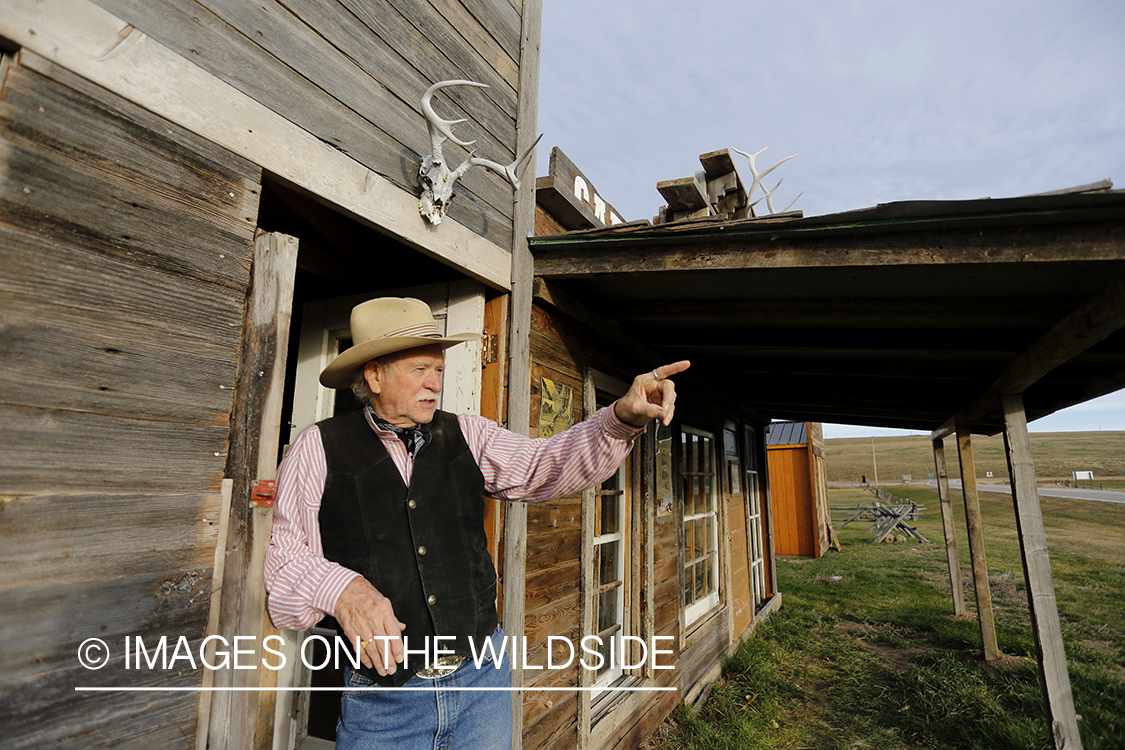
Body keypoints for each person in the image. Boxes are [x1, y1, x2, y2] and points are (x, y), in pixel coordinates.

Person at [264, 296, 689, 749]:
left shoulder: (466, 433)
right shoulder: (317, 448)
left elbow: (544, 464)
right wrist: (343, 589)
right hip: (385, 705)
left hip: (481, 683)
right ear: (374, 375)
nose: (434, 384)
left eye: (439, 371)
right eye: (419, 370)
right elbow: (285, 563)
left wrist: (620, 418)